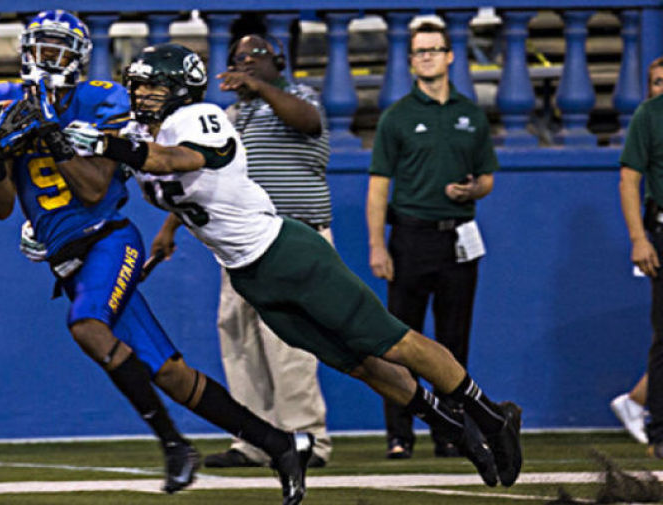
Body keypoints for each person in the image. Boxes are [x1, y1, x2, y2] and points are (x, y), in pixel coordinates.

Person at [63, 42, 523, 488]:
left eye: (152, 88)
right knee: (358, 365)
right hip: (250, 274)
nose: (141, 96)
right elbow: (167, 184)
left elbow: (178, 160)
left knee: (392, 341)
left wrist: (110, 147)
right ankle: (452, 427)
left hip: (286, 254)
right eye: (138, 87)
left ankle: (489, 415)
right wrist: (163, 230)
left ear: (182, 89)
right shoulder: (144, 133)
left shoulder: (196, 118)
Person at [0, 11, 313, 505]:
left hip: (108, 238)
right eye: (40, 48)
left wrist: (51, 134)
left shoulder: (100, 100)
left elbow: (93, 191)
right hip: (67, 260)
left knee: (88, 325)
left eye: (58, 49)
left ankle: (175, 447)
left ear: (79, 57)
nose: (47, 59)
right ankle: (281, 446)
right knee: (171, 373)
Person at [366, 21, 497, 460]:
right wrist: (377, 245)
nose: (426, 57)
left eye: (433, 49)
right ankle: (399, 434)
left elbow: (487, 178)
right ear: (411, 61)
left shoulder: (470, 113)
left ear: (449, 56)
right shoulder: (398, 116)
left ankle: (451, 432)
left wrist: (472, 190)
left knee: (453, 341)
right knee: (399, 342)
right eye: (418, 51)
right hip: (410, 236)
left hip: (457, 238)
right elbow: (378, 186)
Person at [201, 33, 332, 469]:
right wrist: (167, 231)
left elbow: (309, 122)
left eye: (255, 55)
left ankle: (306, 438)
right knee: (238, 339)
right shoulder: (230, 116)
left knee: (287, 341)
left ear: (279, 59)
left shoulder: (299, 95)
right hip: (239, 242)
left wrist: (260, 88)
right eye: (238, 58)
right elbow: (206, 179)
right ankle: (255, 441)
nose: (245, 63)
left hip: (293, 235)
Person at [610, 55, 663, 445]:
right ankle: (660, 428)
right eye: (657, 81)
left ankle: (636, 402)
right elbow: (629, 179)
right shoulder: (650, 116)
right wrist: (638, 238)